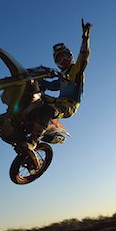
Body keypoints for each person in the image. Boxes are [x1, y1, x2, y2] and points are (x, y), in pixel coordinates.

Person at [23, 19, 92, 150]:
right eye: (59, 58)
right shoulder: (60, 77)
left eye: (65, 56)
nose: (63, 60)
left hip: (69, 105)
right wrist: (32, 79)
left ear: (70, 56)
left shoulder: (76, 71)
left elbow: (84, 57)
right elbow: (50, 85)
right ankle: (22, 122)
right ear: (56, 62)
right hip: (58, 100)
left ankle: (33, 141)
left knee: (48, 109)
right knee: (33, 95)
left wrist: (85, 37)